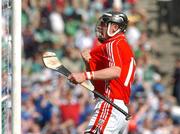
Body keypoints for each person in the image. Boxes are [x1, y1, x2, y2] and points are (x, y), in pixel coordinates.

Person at [68, 11, 136, 134]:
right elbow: (99, 86)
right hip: (119, 110)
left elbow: (116, 71)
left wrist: (84, 75)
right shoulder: (123, 46)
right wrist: (88, 63)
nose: (100, 27)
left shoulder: (113, 44)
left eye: (104, 24)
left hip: (110, 105)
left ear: (114, 27)